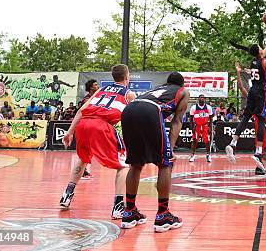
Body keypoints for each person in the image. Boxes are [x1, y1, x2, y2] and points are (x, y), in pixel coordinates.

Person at [59, 64, 135, 220]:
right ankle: (119, 206)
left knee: (83, 159)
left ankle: (66, 197)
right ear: (127, 77)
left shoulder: (101, 90)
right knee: (124, 164)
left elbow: (81, 110)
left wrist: (69, 132)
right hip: (101, 125)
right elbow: (132, 118)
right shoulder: (129, 94)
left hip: (83, 124)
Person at [120, 72, 190, 232]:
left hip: (129, 110)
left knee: (135, 164)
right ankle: (163, 215)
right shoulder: (184, 92)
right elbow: (177, 121)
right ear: (182, 84)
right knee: (165, 164)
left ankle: (129, 211)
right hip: (149, 111)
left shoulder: (157, 89)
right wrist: (170, 150)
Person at [225, 31, 266, 168]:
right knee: (260, 119)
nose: (262, 48)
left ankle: (233, 143)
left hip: (252, 92)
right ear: (259, 52)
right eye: (261, 47)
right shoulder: (265, 61)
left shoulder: (253, 61)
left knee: (246, 117)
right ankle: (258, 152)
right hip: (261, 93)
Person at [189, 95, 213, 163]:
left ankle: (208, 155)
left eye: (203, 97)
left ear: (204, 99)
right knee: (194, 141)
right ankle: (192, 155)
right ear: (198, 99)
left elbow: (211, 118)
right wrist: (192, 128)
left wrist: (210, 127)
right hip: (197, 126)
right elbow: (190, 119)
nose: (202, 98)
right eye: (200, 97)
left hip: (205, 126)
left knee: (207, 141)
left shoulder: (208, 107)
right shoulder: (194, 107)